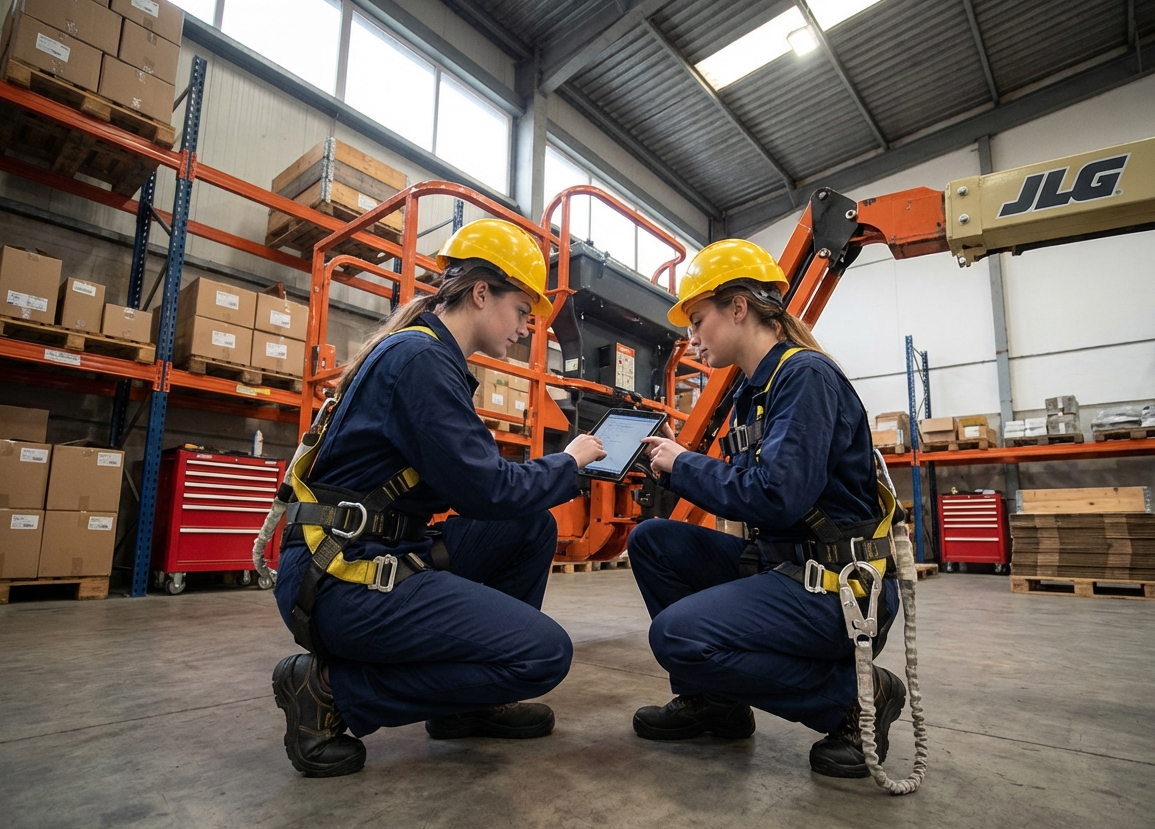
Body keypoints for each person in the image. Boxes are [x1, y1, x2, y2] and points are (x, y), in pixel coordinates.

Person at [270, 218, 606, 778]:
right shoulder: (421, 363)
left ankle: (463, 705)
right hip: (341, 579)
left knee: (528, 528)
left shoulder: (425, 355)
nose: (526, 329)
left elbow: (481, 482)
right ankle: (329, 691)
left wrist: (554, 471)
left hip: (363, 553)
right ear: (482, 293)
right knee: (543, 654)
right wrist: (568, 463)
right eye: (522, 311)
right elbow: (487, 488)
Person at [628, 238, 906, 779]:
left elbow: (778, 496)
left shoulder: (804, 377)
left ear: (738, 308)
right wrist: (673, 469)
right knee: (653, 542)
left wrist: (685, 465)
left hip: (838, 589)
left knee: (678, 635)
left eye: (698, 320)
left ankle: (855, 699)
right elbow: (750, 489)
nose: (691, 337)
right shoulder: (753, 392)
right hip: (785, 563)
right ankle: (716, 703)